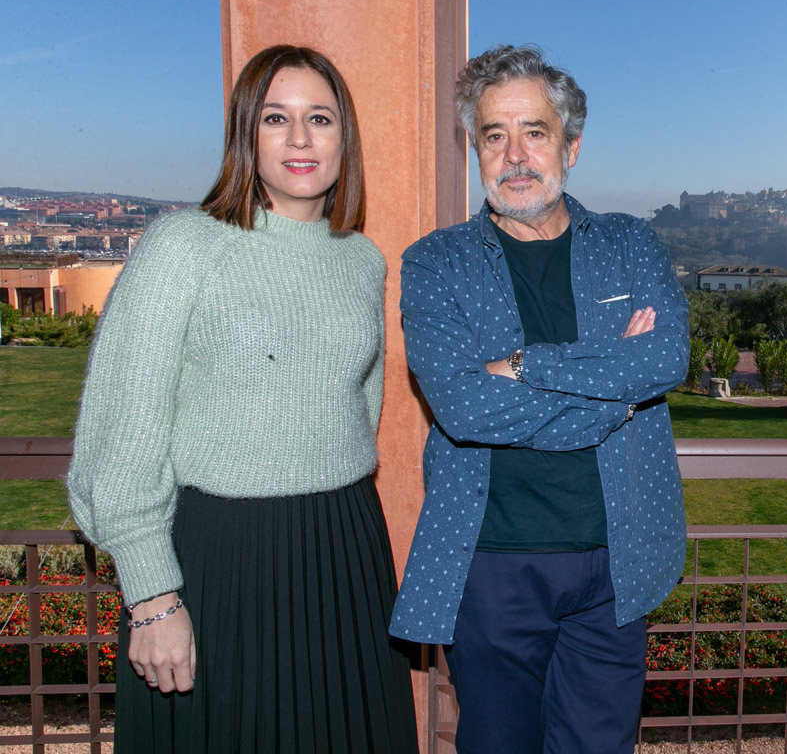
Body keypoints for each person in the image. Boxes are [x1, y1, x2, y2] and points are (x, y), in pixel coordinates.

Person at [67, 45, 418, 753]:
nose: (298, 138)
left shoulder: (362, 260)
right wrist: (152, 598)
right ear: (244, 136)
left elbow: (356, 409)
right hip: (217, 561)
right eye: (275, 118)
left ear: (343, 137)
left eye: (318, 118)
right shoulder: (183, 246)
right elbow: (121, 431)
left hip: (342, 550)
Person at [390, 44, 688, 753]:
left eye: (535, 132)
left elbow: (666, 357)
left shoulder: (630, 244)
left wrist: (521, 365)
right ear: (476, 150)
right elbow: (464, 409)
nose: (514, 154)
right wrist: (614, 390)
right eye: (494, 135)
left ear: (571, 146)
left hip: (618, 563)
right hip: (492, 565)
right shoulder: (435, 263)